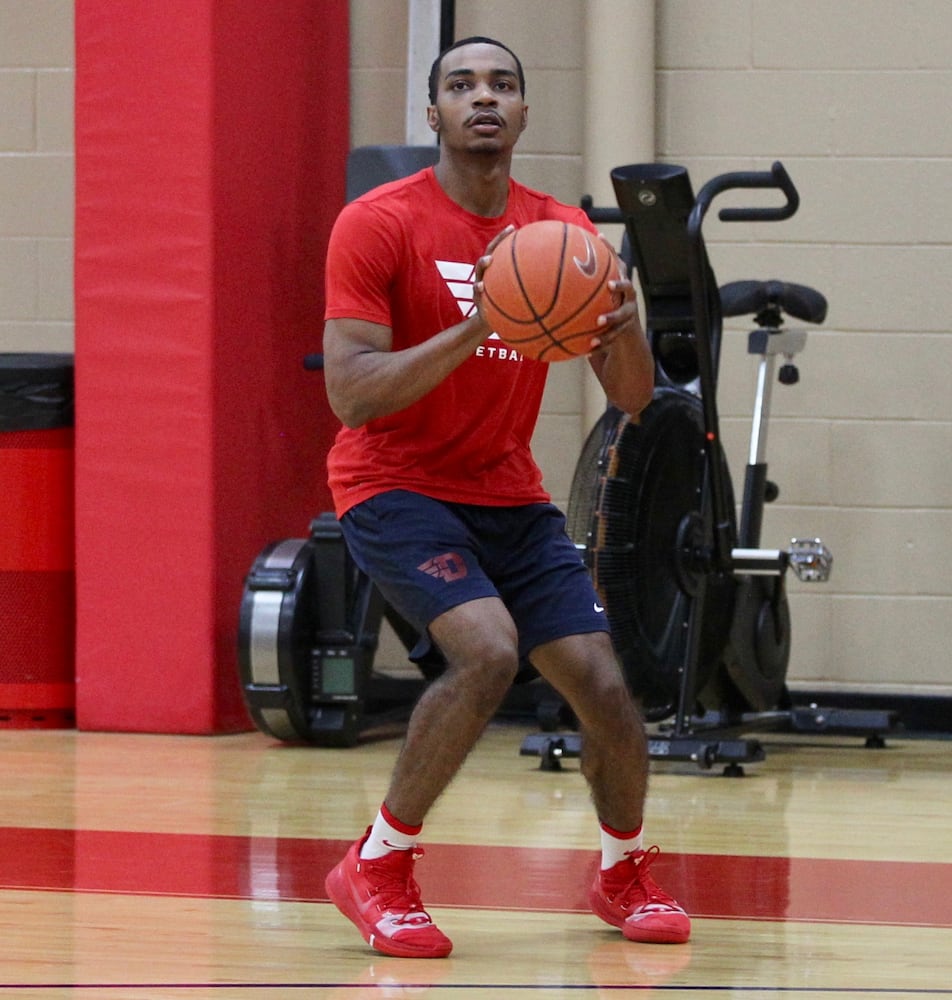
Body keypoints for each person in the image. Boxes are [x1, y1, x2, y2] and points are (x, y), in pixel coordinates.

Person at [321, 36, 690, 959]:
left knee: (604, 685)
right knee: (485, 652)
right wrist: (479, 324)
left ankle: (622, 870)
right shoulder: (377, 223)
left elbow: (634, 398)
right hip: (394, 484)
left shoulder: (560, 233)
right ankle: (378, 865)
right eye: (461, 86)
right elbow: (352, 393)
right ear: (435, 114)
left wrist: (625, 324)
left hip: (506, 489)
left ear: (525, 113)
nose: (483, 98)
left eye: (503, 86)